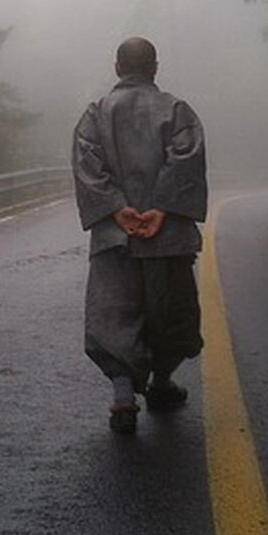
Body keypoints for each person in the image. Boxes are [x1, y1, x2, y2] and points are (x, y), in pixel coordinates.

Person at [71, 36, 208, 434]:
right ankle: (162, 381)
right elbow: (186, 160)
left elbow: (88, 165)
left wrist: (117, 209)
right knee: (170, 312)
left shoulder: (95, 114)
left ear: (117, 68)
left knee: (114, 311)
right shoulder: (177, 110)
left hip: (116, 235)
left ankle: (123, 395)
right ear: (155, 68)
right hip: (167, 236)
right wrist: (162, 210)